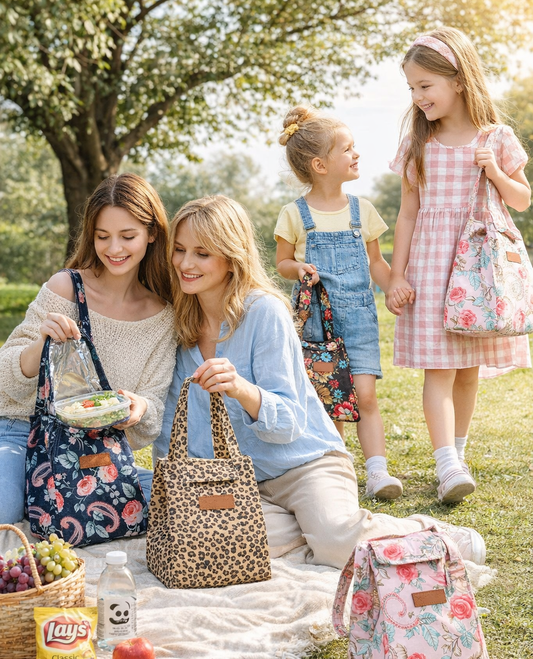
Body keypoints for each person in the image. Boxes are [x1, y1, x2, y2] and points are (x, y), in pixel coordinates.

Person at [153, 193, 487, 570]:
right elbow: (173, 424)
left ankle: (427, 533)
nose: (185, 263)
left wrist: (241, 389)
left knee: (335, 545)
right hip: (242, 479)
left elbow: (290, 422)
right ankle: (319, 530)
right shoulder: (177, 324)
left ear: (231, 257)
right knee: (208, 534)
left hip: (305, 463)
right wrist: (173, 487)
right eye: (179, 250)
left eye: (202, 253)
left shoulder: (265, 312)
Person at [386, 27, 531, 504]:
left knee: (468, 369)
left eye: (425, 85)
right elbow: (407, 213)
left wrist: (492, 170)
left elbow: (522, 200)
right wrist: (398, 274)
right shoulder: (418, 143)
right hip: (430, 266)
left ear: (459, 81)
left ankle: (457, 457)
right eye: (412, 88)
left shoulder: (497, 137)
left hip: (477, 269)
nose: (418, 96)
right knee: (438, 369)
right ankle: (446, 462)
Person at [0, 173, 177, 524]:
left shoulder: (162, 316)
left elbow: (152, 405)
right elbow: (5, 379)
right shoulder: (67, 286)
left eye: (128, 236)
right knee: (5, 512)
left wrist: (138, 406)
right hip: (25, 433)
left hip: (96, 450)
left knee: (174, 502)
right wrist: (40, 345)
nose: (114, 249)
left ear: (152, 233)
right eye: (103, 237)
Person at [274, 105, 402, 501]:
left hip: (359, 318)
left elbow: (377, 263)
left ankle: (377, 472)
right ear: (320, 164)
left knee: (364, 396)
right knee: (331, 400)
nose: (356, 154)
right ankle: (339, 470)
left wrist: (396, 286)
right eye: (347, 148)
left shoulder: (362, 211)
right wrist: (297, 267)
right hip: (316, 322)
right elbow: (281, 263)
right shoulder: (294, 215)